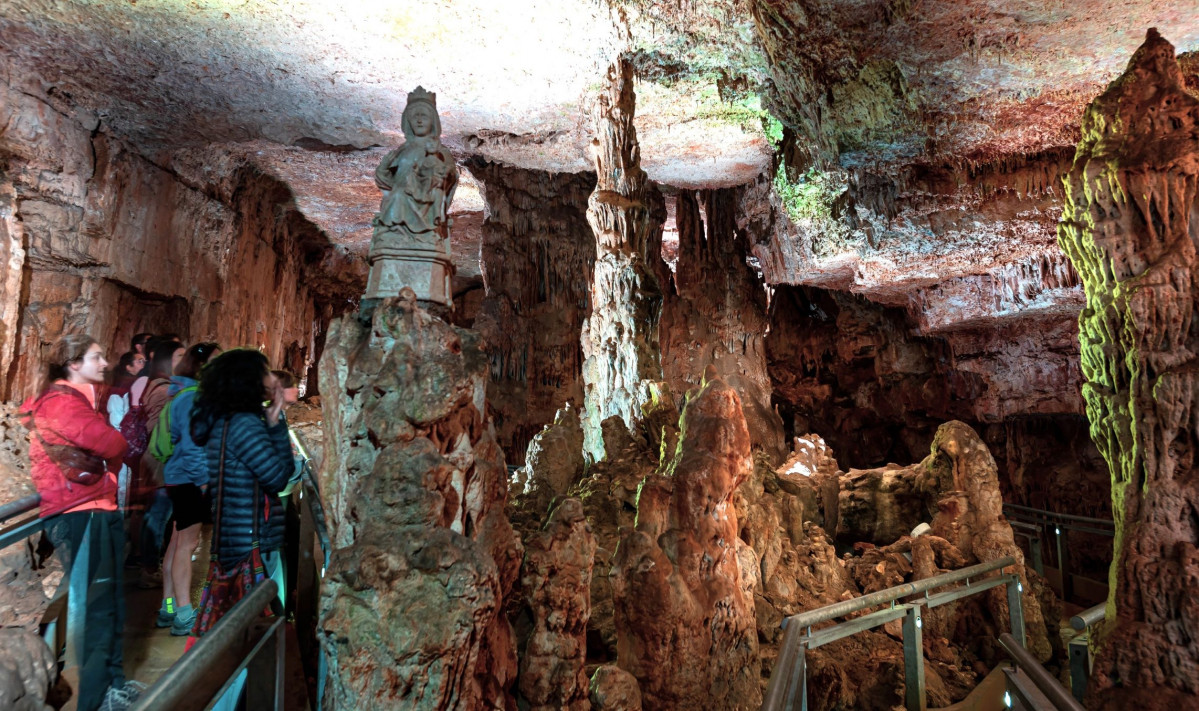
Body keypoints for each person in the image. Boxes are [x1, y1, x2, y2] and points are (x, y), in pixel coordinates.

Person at [20, 335, 142, 711]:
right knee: (97, 608)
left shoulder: (75, 402)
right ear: (74, 364)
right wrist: (112, 444)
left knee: (110, 604)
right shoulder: (61, 405)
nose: (105, 363)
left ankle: (112, 683)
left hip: (93, 508)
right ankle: (94, 698)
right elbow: (112, 444)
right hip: (79, 512)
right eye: (96, 357)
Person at [189, 349, 293, 636]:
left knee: (237, 624)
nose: (272, 378)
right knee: (256, 626)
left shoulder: (223, 421)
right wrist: (276, 424)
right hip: (253, 539)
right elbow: (278, 478)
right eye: (267, 371)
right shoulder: (245, 424)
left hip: (234, 536)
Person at [156, 342, 220, 635]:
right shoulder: (193, 398)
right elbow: (194, 446)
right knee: (188, 545)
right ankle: (184, 612)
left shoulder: (181, 393)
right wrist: (204, 480)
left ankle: (167, 608)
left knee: (176, 542)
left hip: (178, 477)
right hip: (188, 479)